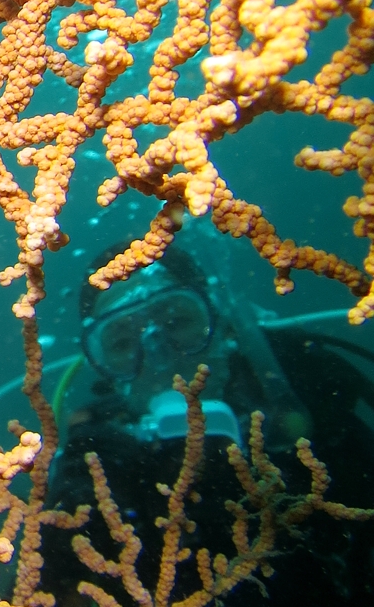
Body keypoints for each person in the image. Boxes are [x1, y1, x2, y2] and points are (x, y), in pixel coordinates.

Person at [41, 231, 374, 605]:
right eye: (121, 344)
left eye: (178, 321)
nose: (161, 357)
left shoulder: (306, 398)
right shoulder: (99, 466)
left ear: (222, 326)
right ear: (105, 373)